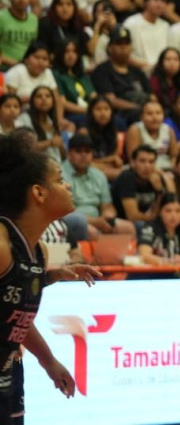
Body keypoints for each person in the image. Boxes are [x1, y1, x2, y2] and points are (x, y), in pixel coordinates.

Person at [0, 134, 101, 421]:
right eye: (59, 179)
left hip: (8, 372)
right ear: (39, 193)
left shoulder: (39, 252)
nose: (68, 185)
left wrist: (49, 363)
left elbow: (15, 318)